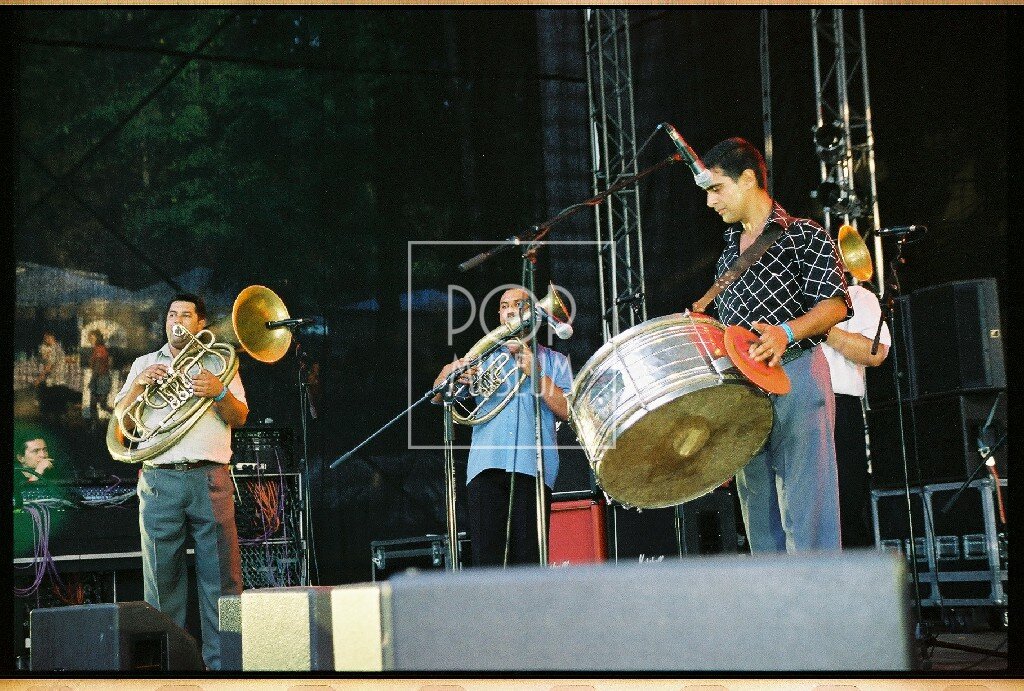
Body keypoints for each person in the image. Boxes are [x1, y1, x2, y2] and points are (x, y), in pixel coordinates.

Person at [700, 137, 851, 553]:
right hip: (747, 390)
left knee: (810, 516)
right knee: (759, 522)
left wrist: (785, 332)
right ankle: (774, 596)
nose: (711, 202)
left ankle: (818, 597)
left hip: (797, 374)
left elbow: (836, 304)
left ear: (748, 179)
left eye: (717, 189)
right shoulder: (727, 255)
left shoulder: (804, 234)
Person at [114, 293, 247, 670]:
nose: (176, 321)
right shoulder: (144, 364)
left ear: (200, 324)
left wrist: (219, 391)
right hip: (159, 479)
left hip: (210, 477)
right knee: (160, 583)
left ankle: (228, 665)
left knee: (225, 581)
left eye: (185, 315)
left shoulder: (219, 361)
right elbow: (120, 425)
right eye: (171, 314)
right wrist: (138, 386)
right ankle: (168, 669)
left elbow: (239, 416)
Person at [433, 286, 572, 567]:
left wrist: (536, 373)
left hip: (533, 468)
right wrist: (450, 374)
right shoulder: (483, 358)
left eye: (518, 305)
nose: (510, 311)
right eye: (504, 306)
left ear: (534, 313)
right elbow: (439, 397)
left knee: (530, 564)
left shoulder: (555, 361)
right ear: (498, 315)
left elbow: (569, 411)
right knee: (488, 564)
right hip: (486, 467)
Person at [821, 281, 891, 547]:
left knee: (844, 509)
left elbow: (875, 353)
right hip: (779, 405)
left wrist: (816, 325)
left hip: (839, 409)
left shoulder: (857, 295)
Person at [35, 331, 73, 422]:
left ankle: (53, 418)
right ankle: (59, 417)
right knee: (58, 401)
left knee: (52, 398)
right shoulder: (57, 347)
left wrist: (39, 378)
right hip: (59, 378)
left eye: (47, 338)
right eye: (45, 338)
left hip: (55, 378)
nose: (45, 340)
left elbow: (48, 367)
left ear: (52, 338)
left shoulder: (54, 349)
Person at [88, 329, 114, 429]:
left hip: (101, 379)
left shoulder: (99, 350)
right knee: (97, 405)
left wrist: (93, 380)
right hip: (101, 378)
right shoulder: (98, 349)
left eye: (92, 337)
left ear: (97, 338)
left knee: (98, 404)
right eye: (89, 337)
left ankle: (118, 417)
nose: (90, 339)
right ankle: (95, 425)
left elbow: (98, 366)